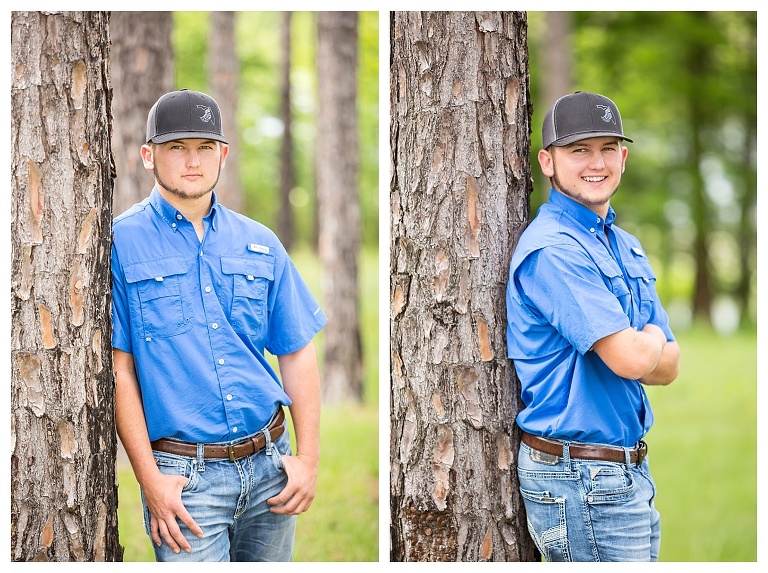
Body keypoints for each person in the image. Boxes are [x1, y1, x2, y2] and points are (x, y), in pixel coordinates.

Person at [111, 89, 327, 562]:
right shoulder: (119, 244)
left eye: (205, 147)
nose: (193, 161)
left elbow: (295, 350)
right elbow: (119, 371)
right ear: (149, 156)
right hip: (184, 481)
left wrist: (307, 459)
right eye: (176, 147)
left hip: (271, 468)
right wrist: (149, 479)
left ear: (223, 154)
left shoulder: (260, 242)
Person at [506, 91, 680, 562]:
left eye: (607, 148)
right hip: (578, 475)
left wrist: (644, 347)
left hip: (625, 472)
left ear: (623, 157)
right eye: (578, 150)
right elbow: (632, 358)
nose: (595, 162)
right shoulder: (553, 250)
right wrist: (647, 340)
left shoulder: (624, 246)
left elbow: (668, 367)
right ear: (548, 161)